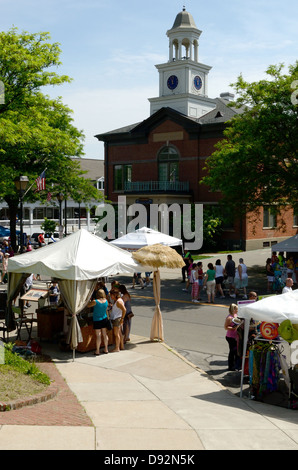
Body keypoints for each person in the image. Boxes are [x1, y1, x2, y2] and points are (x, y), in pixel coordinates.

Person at [87, 289, 109, 355]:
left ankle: (97, 351)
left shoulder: (95, 301)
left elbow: (88, 305)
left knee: (98, 335)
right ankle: (106, 349)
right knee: (105, 335)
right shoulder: (106, 301)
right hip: (104, 318)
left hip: (97, 319)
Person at [224, 304, 242, 371]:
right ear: (233, 310)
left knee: (236, 351)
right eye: (236, 309)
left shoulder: (236, 316)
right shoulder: (229, 318)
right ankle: (230, 366)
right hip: (230, 337)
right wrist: (233, 328)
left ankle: (236, 365)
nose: (237, 310)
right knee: (232, 351)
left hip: (236, 336)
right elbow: (226, 327)